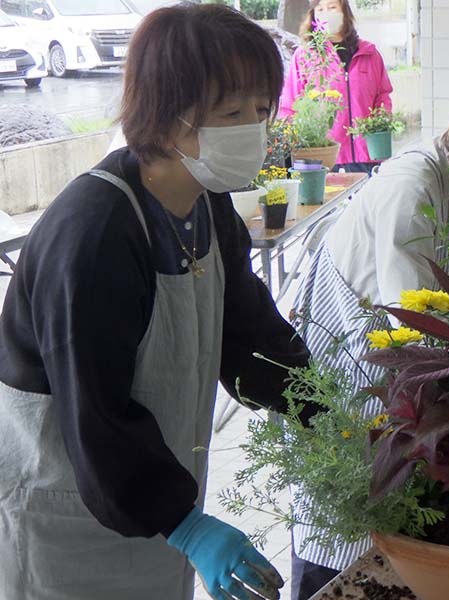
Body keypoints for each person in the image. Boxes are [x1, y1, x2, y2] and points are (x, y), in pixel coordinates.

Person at [0, 5, 315, 600]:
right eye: (230, 112)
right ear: (166, 118)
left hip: (148, 505)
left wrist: (326, 411)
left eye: (261, 110)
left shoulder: (206, 203)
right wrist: (187, 524)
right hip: (64, 517)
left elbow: (250, 336)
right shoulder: (95, 237)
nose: (253, 128)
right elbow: (96, 411)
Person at [288, 77, 449, 600]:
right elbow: (411, 322)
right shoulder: (411, 183)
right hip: (352, 358)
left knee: (398, 513)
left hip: (409, 376)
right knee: (340, 509)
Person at [278, 0, 394, 174]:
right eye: (320, 9)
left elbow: (383, 95)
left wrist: (378, 125)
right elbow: (290, 105)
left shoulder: (369, 53)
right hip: (325, 156)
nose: (326, 13)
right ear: (313, 15)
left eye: (332, 7)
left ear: (344, 12)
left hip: (368, 156)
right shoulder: (305, 56)